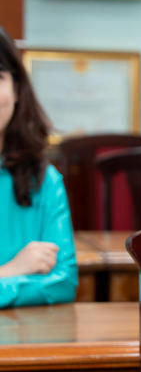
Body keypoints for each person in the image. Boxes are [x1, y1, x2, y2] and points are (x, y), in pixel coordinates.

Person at [0, 27, 77, 307]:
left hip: (26, 332)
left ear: (17, 89)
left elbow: (63, 283)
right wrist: (11, 270)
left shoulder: (44, 179)